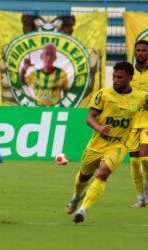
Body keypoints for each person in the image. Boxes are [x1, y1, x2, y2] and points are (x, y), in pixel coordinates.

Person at [65, 61, 148, 224]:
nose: (116, 80)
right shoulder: (104, 94)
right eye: (114, 76)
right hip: (97, 143)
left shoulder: (140, 96)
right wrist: (99, 127)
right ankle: (76, 197)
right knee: (83, 176)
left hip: (118, 145)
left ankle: (83, 210)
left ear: (130, 78)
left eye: (120, 77)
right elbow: (89, 117)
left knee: (103, 173)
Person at [128, 40, 148, 208]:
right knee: (134, 162)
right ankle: (140, 198)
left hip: (147, 123)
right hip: (132, 123)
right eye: (138, 50)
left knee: (145, 159)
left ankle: (147, 193)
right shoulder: (129, 73)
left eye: (143, 51)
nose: (140, 53)